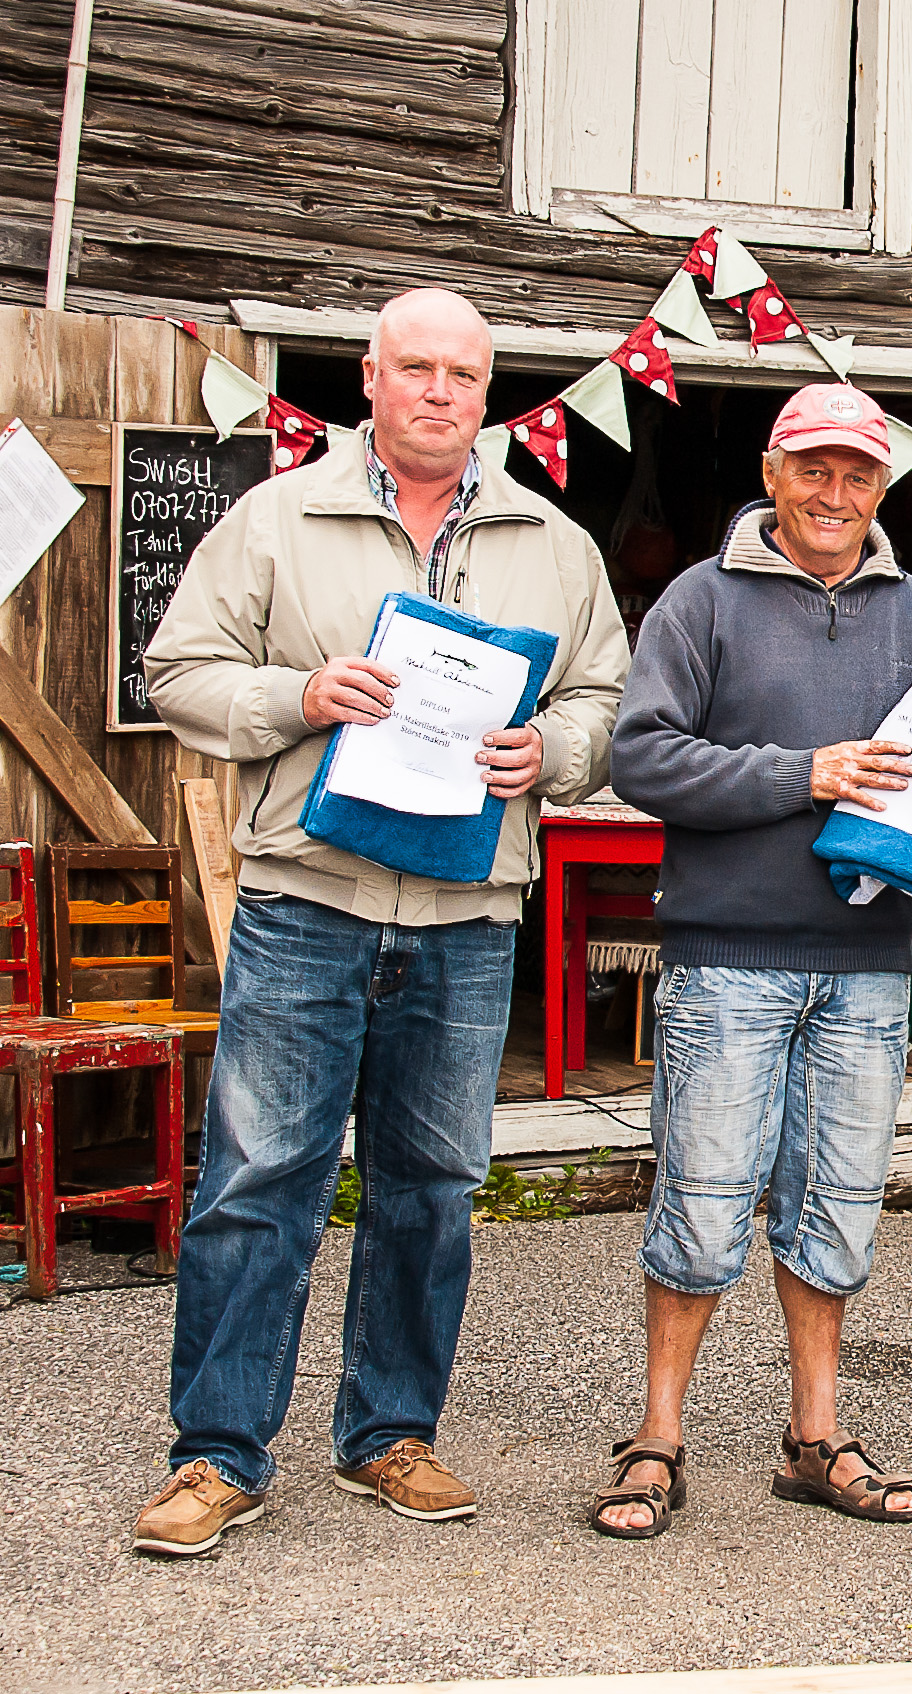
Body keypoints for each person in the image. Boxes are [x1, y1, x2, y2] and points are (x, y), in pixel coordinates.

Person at [132, 287, 633, 1557]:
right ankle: (216, 1453)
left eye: (464, 374)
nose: (440, 392)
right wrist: (300, 691)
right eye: (417, 367)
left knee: (432, 1188)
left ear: (487, 390)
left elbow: (606, 701)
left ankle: (389, 1432)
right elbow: (175, 672)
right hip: (307, 895)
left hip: (467, 913)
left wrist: (554, 750)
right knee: (259, 1181)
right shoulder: (278, 518)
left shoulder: (552, 544)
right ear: (369, 375)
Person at [597, 383, 912, 1541]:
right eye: (814, 470)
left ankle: (813, 1435)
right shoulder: (702, 599)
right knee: (703, 1195)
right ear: (774, 475)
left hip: (872, 964)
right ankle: (658, 1435)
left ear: (883, 489)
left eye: (858, 475)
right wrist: (806, 773)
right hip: (730, 955)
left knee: (837, 1205)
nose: (836, 495)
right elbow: (643, 757)